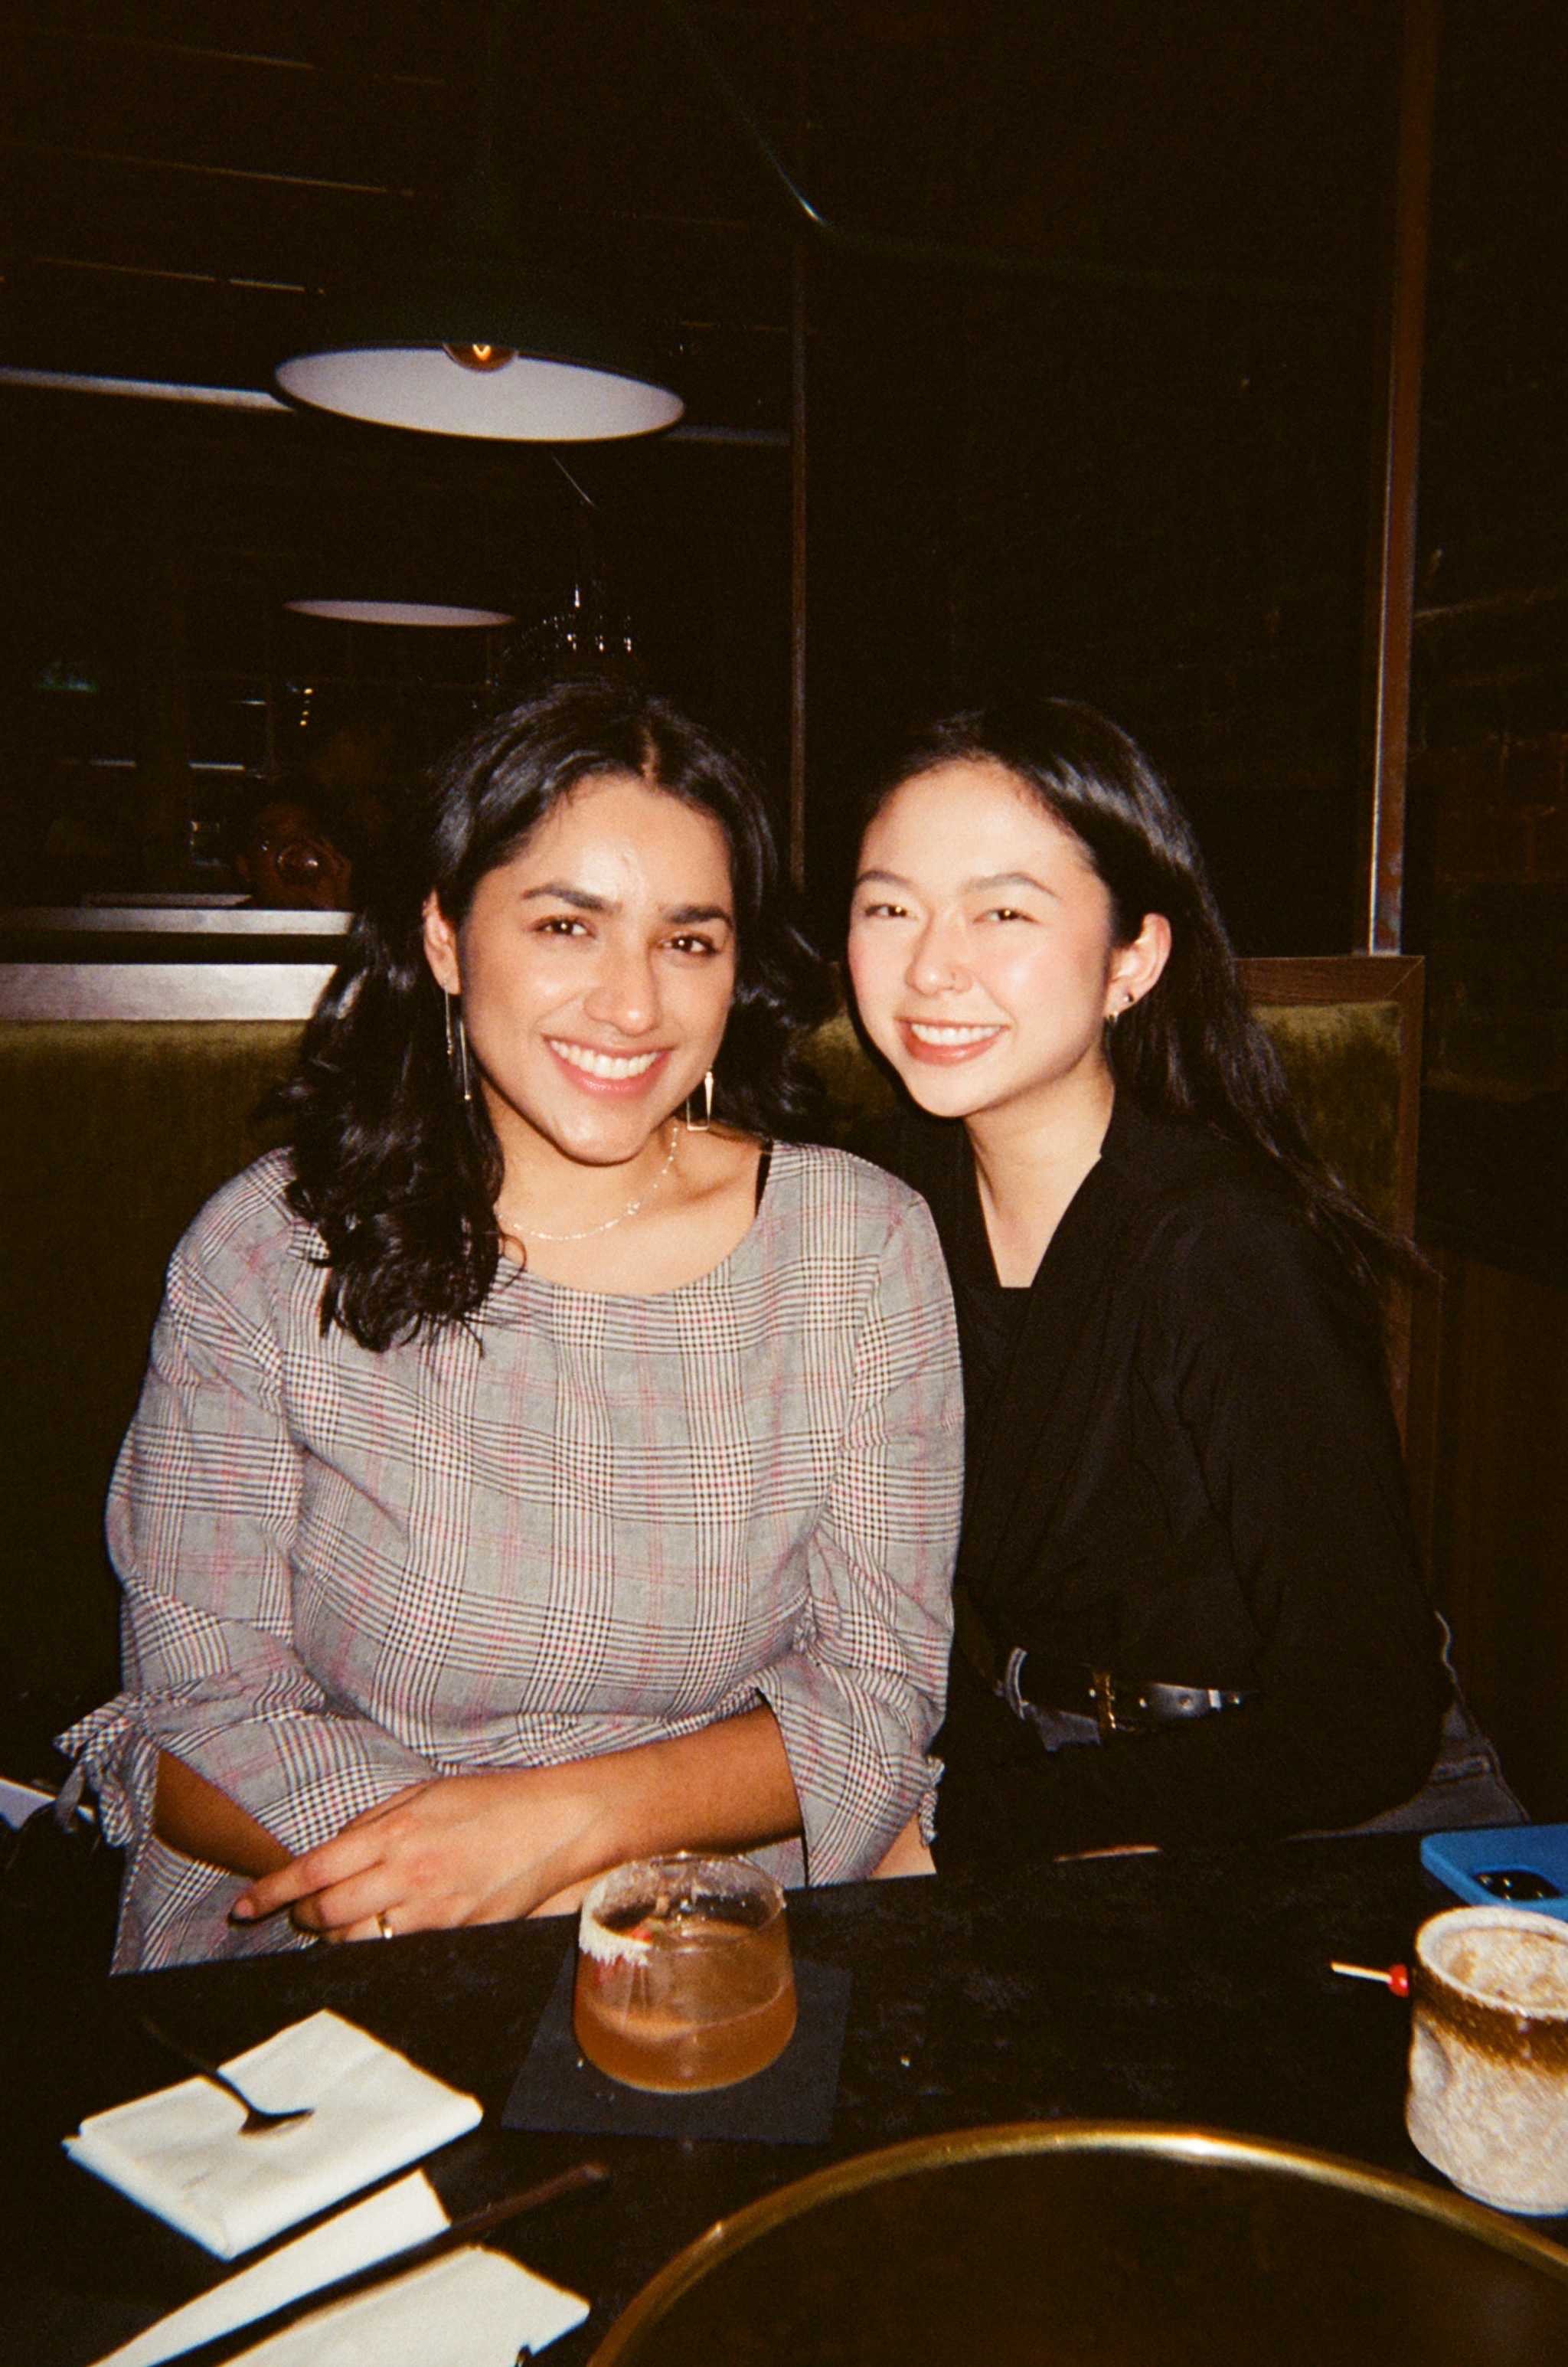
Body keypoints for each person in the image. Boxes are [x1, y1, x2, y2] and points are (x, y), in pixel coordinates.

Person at [61, 678, 962, 1970]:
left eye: (688, 940)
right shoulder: (269, 1249)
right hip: (345, 1912)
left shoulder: (854, 1248)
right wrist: (449, 1870)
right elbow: (193, 1714)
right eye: (564, 924)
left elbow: (875, 1699)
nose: (631, 1004)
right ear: (442, 938)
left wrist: (557, 1837)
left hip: (715, 1928)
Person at [846, 697, 1511, 1878]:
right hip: (1049, 1775)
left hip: (1321, 1820)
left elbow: (1364, 1716)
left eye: (1002, 910)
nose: (931, 965)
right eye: (890, 906)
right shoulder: (886, 1206)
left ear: (1133, 960)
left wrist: (987, 1825)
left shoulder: (1225, 1244)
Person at [234, 790, 355, 911]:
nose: (292, 853)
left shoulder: (343, 912)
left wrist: (339, 912)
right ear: (245, 867)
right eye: (273, 840)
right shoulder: (224, 926)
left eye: (306, 837)